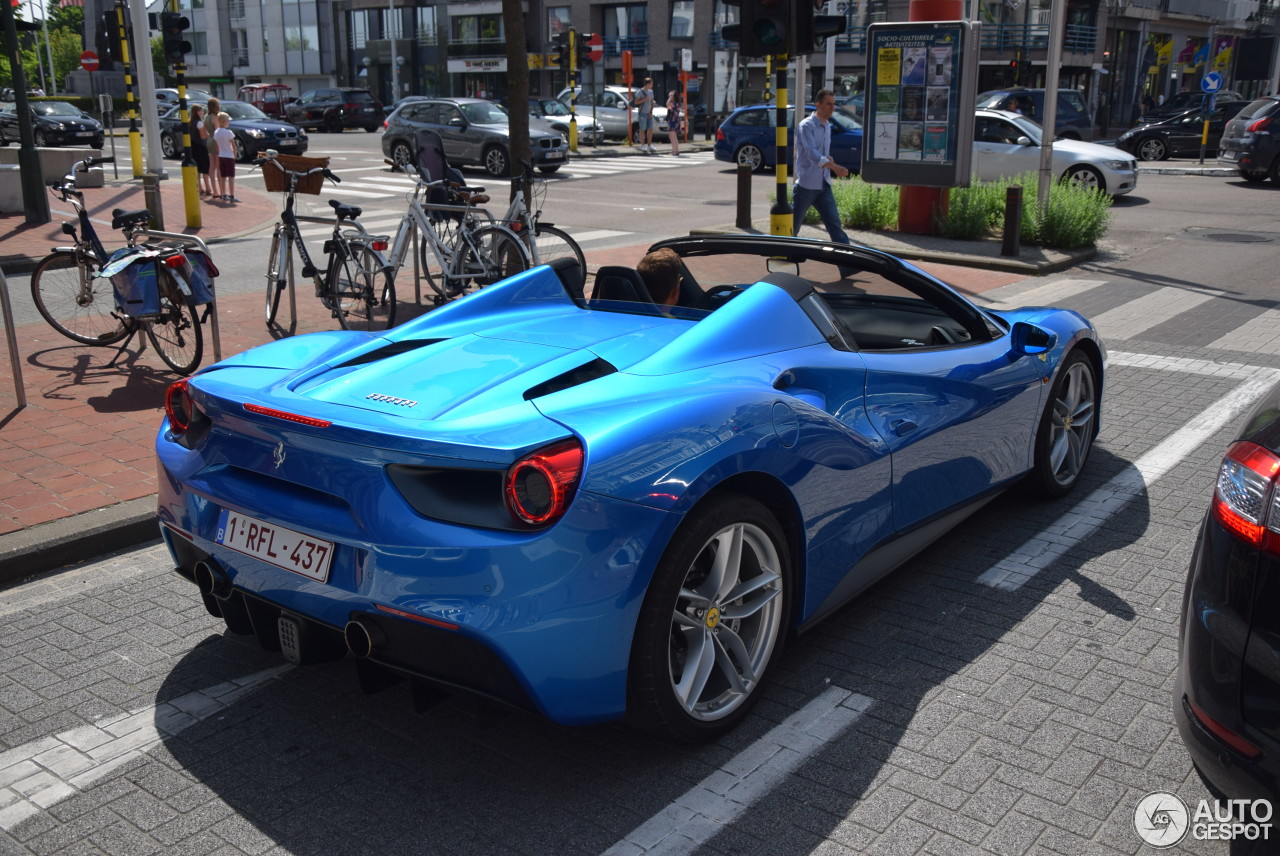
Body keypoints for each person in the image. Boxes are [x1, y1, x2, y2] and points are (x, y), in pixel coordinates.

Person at [792, 89, 851, 247]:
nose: (832, 108)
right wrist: (835, 167)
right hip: (806, 185)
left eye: (833, 104)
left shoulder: (827, 127)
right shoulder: (806, 126)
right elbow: (812, 155)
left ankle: (849, 264)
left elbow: (822, 153)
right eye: (828, 104)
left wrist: (829, 161)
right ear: (818, 105)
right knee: (792, 229)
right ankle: (783, 258)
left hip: (823, 184)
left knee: (835, 225)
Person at [189, 105, 214, 196]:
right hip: (201, 147)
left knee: (197, 168)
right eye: (201, 111)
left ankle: (199, 187)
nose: (203, 112)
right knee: (205, 168)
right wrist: (209, 134)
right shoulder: (199, 123)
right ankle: (208, 187)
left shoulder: (190, 122)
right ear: (197, 112)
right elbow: (203, 136)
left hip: (193, 147)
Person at [213, 112, 237, 202]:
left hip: (221, 155)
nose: (228, 122)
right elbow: (234, 146)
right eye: (227, 120)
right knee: (231, 176)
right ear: (223, 121)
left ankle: (223, 194)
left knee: (223, 176)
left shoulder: (216, 132)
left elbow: (217, 146)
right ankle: (232, 195)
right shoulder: (228, 132)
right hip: (229, 155)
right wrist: (234, 155)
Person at [632, 78, 656, 153]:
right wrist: (644, 100)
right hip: (642, 112)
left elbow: (652, 102)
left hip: (649, 113)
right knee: (642, 129)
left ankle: (650, 144)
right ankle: (643, 145)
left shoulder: (651, 92)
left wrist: (650, 112)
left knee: (650, 128)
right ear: (648, 84)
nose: (652, 85)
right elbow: (636, 102)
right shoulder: (640, 92)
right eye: (651, 83)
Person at [665, 90, 682, 156]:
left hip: (673, 120)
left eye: (671, 95)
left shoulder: (674, 103)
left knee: (672, 136)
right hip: (676, 120)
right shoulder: (677, 103)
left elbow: (667, 104)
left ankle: (674, 151)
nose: (669, 97)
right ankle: (676, 151)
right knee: (674, 137)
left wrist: (669, 98)